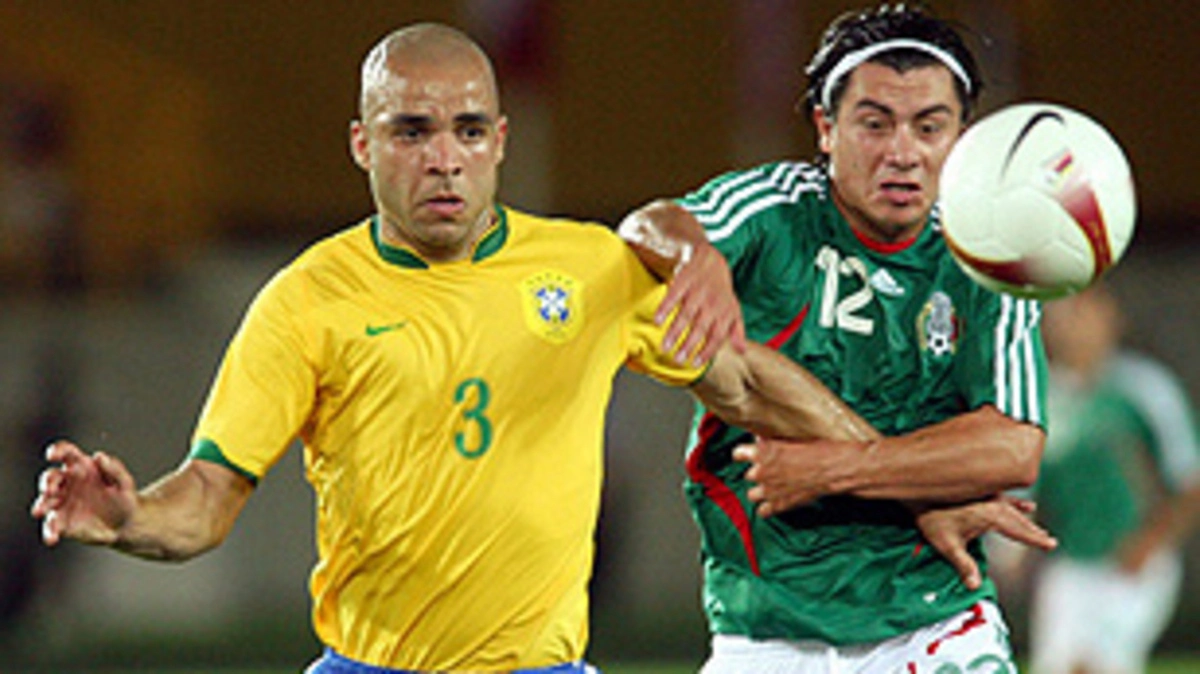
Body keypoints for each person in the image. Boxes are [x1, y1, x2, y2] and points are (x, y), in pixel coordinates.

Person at [30, 19, 1052, 674]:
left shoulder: (589, 268)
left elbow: (746, 382)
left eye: (470, 131)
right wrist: (128, 516)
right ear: (362, 145)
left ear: (502, 142)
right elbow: (206, 499)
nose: (445, 159)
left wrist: (904, 487)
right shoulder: (306, 301)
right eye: (413, 131)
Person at [619, 4, 1050, 673]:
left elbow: (1014, 448)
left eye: (929, 127)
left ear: (961, 139)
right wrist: (692, 255)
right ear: (826, 128)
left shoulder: (989, 261)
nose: (902, 153)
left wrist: (834, 469)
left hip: (932, 617)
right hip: (765, 625)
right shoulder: (774, 211)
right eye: (874, 124)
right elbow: (647, 224)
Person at [1026, 284, 1200, 674]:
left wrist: (1150, 543)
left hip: (1130, 560)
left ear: (1110, 318)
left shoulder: (1143, 387)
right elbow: (1026, 487)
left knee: (1098, 666)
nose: (1069, 327)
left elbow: (1190, 480)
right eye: (1060, 317)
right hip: (1069, 564)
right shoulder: (1042, 396)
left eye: (1080, 315)